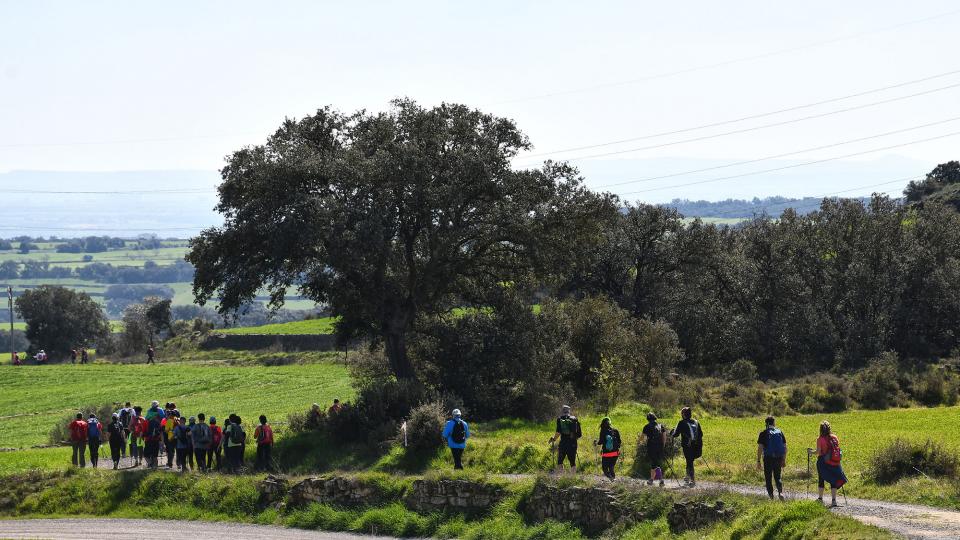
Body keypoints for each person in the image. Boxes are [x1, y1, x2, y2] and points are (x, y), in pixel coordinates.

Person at [814, 420, 847, 507]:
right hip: (834, 462)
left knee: (821, 479)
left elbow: (818, 452)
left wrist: (811, 452)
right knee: (833, 480)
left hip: (823, 462)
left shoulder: (819, 439)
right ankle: (834, 501)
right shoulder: (834, 437)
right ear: (829, 428)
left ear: (820, 429)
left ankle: (820, 499)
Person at [757, 415, 787, 500]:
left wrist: (758, 461)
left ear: (766, 423)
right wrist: (783, 459)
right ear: (774, 423)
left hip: (768, 458)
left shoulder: (763, 433)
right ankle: (780, 493)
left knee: (768, 477)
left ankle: (771, 497)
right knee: (777, 477)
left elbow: (760, 448)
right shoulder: (779, 432)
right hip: (778, 457)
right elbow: (785, 447)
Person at [672, 407, 703, 487]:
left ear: (683, 414)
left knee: (689, 462)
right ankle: (687, 477)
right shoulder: (696, 422)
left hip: (687, 446)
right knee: (689, 461)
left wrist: (672, 433)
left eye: (681, 413)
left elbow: (676, 434)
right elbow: (701, 434)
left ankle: (692, 480)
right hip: (697, 445)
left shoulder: (681, 422)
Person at [548, 405, 582, 474]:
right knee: (572, 462)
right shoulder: (574, 419)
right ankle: (572, 478)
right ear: (569, 411)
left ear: (562, 411)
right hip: (573, 443)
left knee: (560, 461)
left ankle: (562, 478)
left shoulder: (560, 419)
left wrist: (554, 439)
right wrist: (574, 439)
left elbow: (558, 432)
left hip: (563, 443)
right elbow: (579, 434)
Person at [642, 412, 666, 486]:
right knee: (654, 463)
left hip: (651, 447)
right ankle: (651, 480)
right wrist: (663, 445)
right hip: (659, 447)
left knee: (655, 464)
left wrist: (641, 443)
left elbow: (643, 437)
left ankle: (661, 480)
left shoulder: (647, 426)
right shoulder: (660, 425)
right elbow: (664, 436)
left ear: (648, 419)